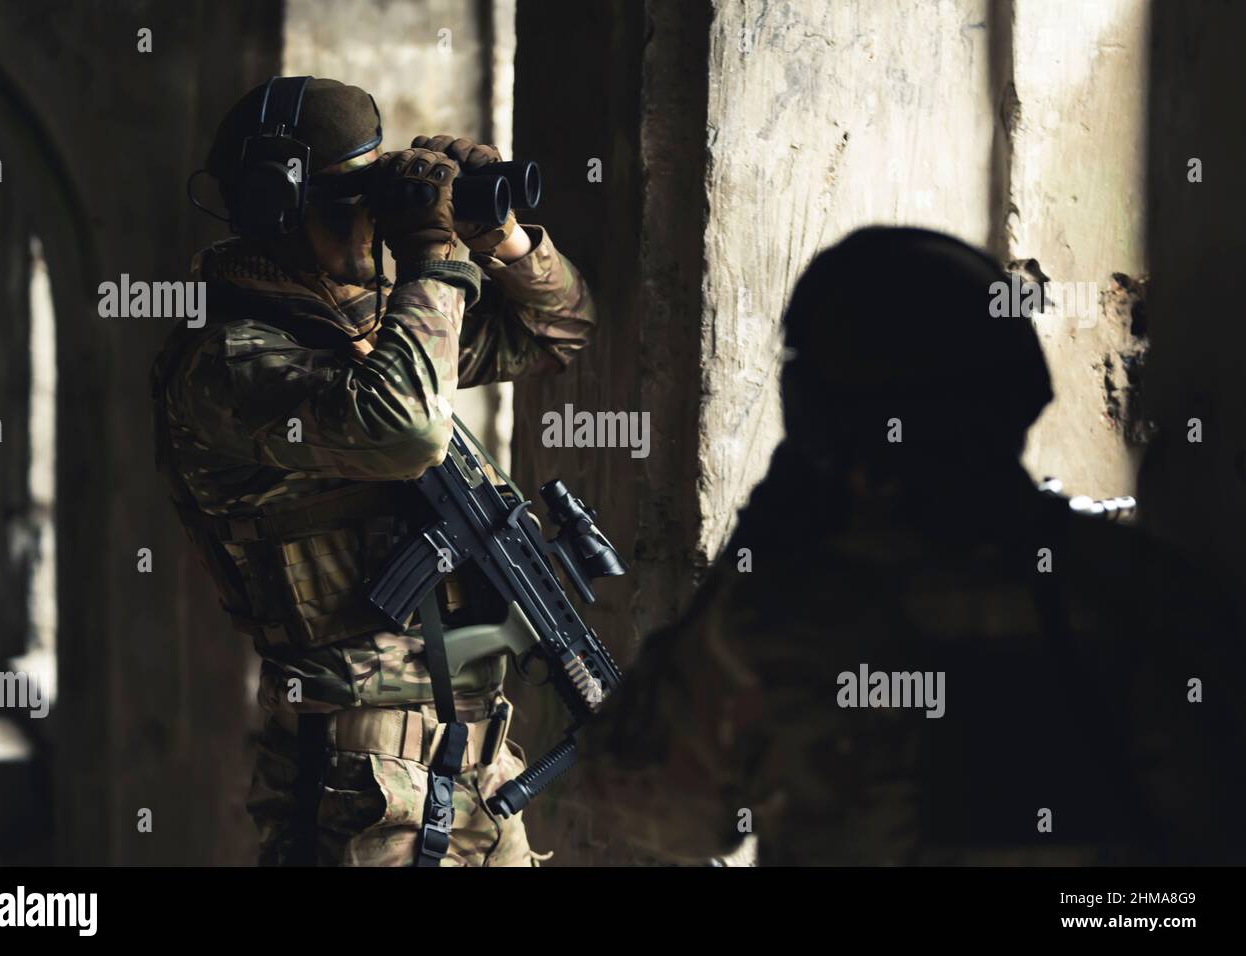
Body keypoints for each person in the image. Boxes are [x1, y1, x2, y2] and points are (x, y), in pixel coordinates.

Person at [579, 226, 1246, 865]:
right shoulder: (1141, 586)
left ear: (815, 411)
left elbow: (655, 808)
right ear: (1019, 391)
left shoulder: (784, 618)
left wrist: (756, 540)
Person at [151, 77, 595, 866]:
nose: (373, 219)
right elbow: (407, 430)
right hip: (358, 788)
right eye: (350, 198)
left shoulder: (364, 329)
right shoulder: (223, 359)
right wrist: (436, 260)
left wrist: (499, 239)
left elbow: (560, 329)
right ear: (274, 208)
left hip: (479, 765)